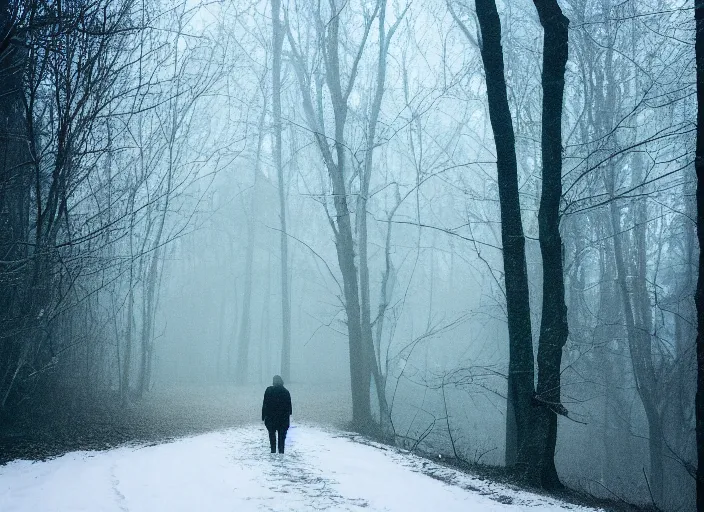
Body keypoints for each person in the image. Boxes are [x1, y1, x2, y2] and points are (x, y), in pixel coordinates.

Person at [261, 375, 292, 454]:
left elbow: (265, 404)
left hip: (271, 418)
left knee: (272, 436)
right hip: (283, 419)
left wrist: (263, 416)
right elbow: (289, 408)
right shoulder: (286, 392)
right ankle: (281, 452)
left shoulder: (269, 390)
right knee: (282, 437)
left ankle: (273, 451)